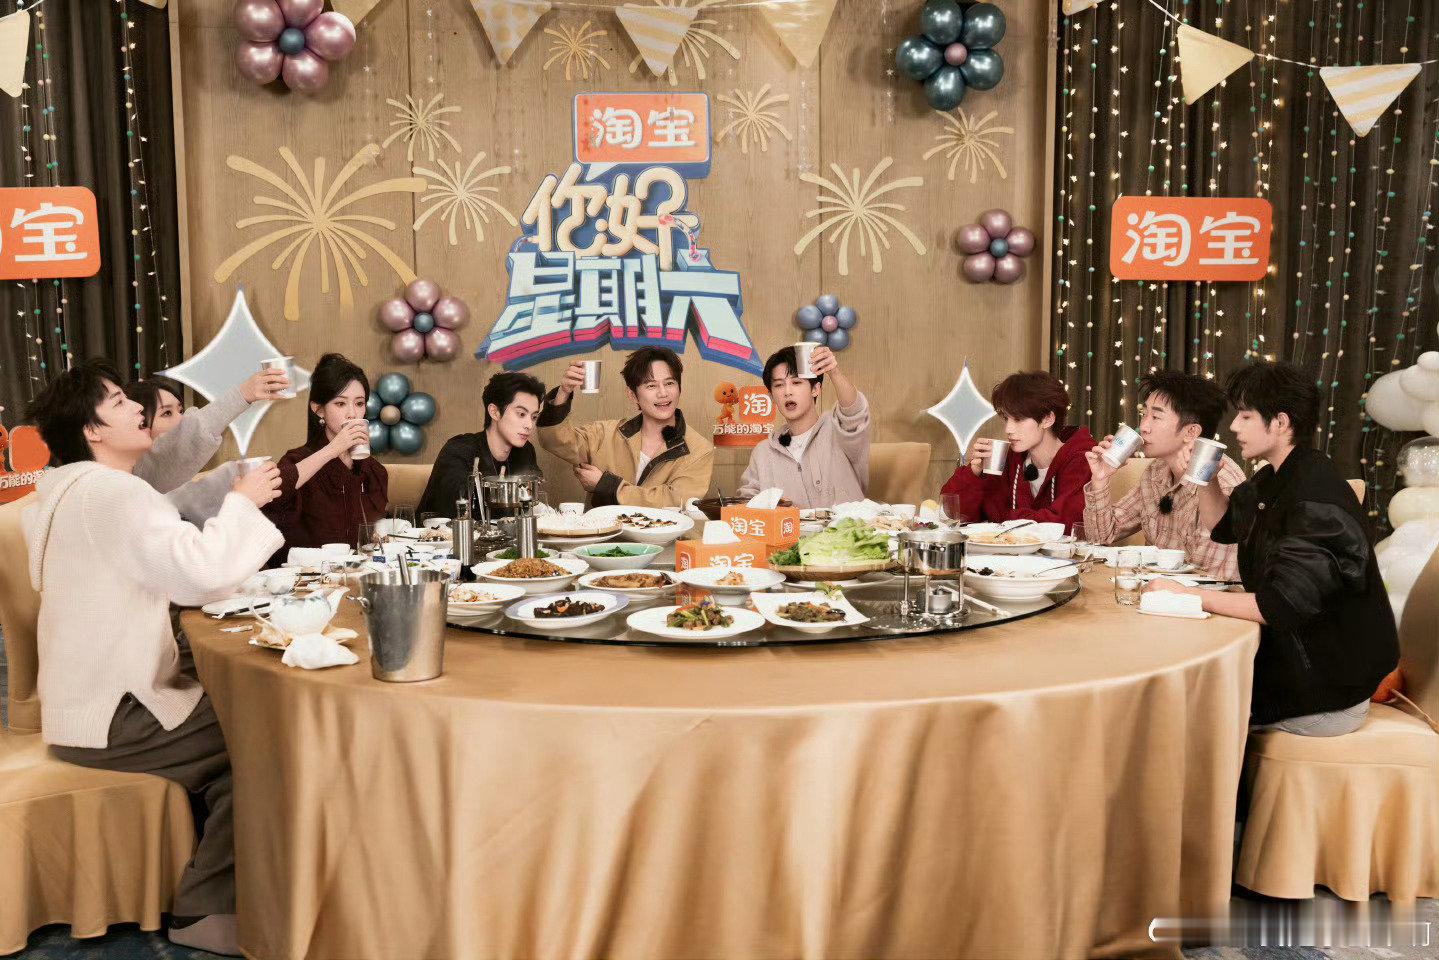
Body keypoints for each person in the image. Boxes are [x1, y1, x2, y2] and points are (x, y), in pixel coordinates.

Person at [24, 359, 284, 956]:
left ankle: (220, 891)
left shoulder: (75, 487)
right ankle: (204, 909)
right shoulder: (111, 495)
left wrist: (238, 401)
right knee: (267, 732)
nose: (137, 407)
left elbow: (162, 467)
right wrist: (241, 503)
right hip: (117, 713)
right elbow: (202, 572)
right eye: (119, 401)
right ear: (92, 430)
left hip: (82, 705)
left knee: (247, 720)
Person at [1146, 361, 1398, 736]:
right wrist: (1204, 479)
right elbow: (1224, 526)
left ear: (1280, 423)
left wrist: (1187, 594)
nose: (1234, 426)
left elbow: (1279, 605)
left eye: (1246, 416)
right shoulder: (1277, 476)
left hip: (1326, 692)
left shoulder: (1314, 494)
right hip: (1300, 667)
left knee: (1184, 720)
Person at [1082, 370, 1243, 579]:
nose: (1143, 427)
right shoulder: (1156, 472)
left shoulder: (1221, 482)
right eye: (1144, 414)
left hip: (1197, 596)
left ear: (1191, 432)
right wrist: (1100, 479)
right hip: (1154, 589)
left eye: (1156, 417)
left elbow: (1212, 580)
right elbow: (1101, 537)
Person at [538, 347, 714, 508]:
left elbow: (677, 501)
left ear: (679, 388)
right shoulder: (605, 434)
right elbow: (555, 441)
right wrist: (564, 392)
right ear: (632, 395)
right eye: (651, 385)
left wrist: (607, 485)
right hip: (605, 533)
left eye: (669, 383)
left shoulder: (699, 449)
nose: (663, 393)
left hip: (665, 534)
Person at [263, 353, 387, 562]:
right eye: (340, 404)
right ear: (319, 409)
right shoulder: (297, 461)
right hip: (305, 577)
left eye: (359, 403)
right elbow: (272, 495)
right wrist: (332, 449)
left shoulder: (374, 472)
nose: (352, 414)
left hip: (360, 574)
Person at [939, 370, 1095, 530]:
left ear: (1048, 419)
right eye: (1006, 418)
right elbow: (952, 513)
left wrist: (1004, 520)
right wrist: (974, 474)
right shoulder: (1008, 459)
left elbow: (1067, 522)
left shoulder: (1083, 460)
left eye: (1018, 419)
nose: (1008, 429)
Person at [735, 344, 871, 508]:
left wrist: (833, 371)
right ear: (771, 396)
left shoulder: (838, 430)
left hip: (846, 524)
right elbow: (747, 504)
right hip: (789, 526)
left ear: (815, 389)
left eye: (796, 382)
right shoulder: (763, 452)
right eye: (779, 385)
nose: (787, 392)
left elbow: (854, 413)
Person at [126, 367, 291, 494]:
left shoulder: (179, 485)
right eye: (167, 413)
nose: (181, 419)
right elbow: (192, 430)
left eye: (181, 410)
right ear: (139, 422)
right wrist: (244, 393)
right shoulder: (140, 476)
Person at [417, 370, 546, 519]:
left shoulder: (525, 451)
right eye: (521, 414)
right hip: (440, 532)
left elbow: (529, 504)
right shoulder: (459, 450)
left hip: (503, 534)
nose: (529, 425)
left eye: (534, 417)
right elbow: (456, 511)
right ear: (495, 412)